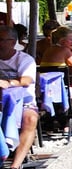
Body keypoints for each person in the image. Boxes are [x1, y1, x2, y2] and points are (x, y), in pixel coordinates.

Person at [0, 24, 39, 169]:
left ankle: (15, 165)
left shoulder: (25, 59)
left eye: (2, 40)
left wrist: (7, 83)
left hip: (24, 102)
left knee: (30, 119)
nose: (0, 43)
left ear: (12, 42)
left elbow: (25, 81)